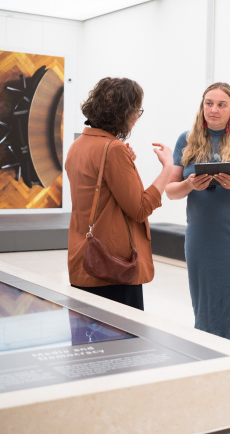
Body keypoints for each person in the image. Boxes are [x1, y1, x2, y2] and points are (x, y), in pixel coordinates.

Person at [165, 82, 230, 345]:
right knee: (205, 309)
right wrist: (189, 185)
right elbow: (171, 191)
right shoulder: (186, 140)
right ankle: (210, 369)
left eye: (221, 104)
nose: (214, 109)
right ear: (202, 106)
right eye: (209, 103)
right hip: (201, 237)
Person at [65, 77, 174, 310]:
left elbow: (100, 192)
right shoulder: (112, 149)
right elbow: (140, 208)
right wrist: (168, 168)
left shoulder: (78, 145)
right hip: (112, 266)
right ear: (124, 113)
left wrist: (125, 165)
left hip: (83, 260)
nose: (137, 118)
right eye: (137, 111)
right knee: (120, 342)